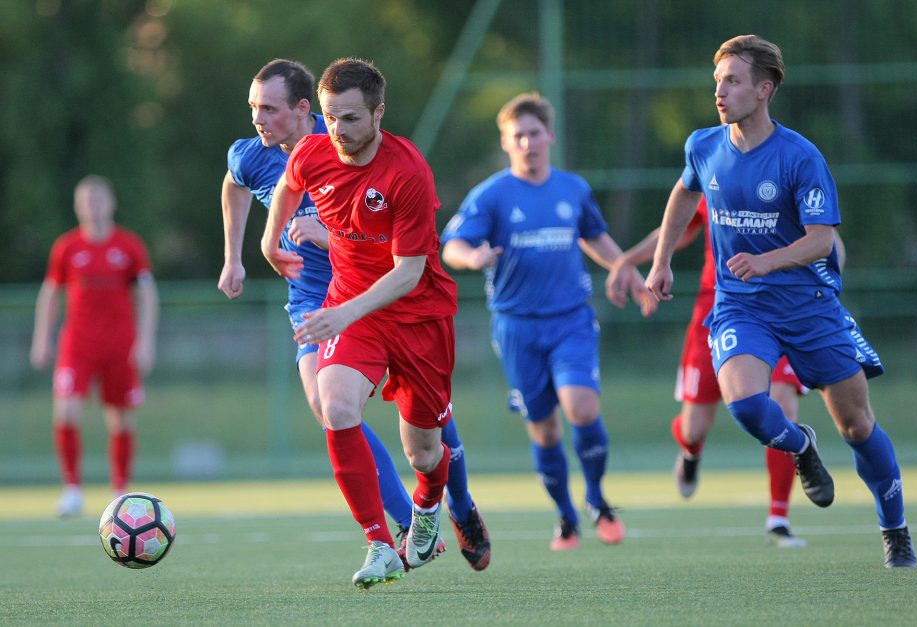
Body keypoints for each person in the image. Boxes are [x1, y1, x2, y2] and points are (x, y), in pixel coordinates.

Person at [643, 34, 917, 568]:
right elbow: (684, 192)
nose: (720, 91)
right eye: (717, 80)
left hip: (810, 307)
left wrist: (766, 260)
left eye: (733, 81)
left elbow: (821, 239)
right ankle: (800, 446)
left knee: (858, 426)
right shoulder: (703, 145)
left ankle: (896, 530)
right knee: (746, 406)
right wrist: (659, 261)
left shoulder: (799, 156)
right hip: (742, 307)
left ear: (764, 90)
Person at [221, 59, 489, 580]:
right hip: (336, 302)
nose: (336, 130)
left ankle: (442, 505)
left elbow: (408, 272)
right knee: (335, 407)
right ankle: (382, 541)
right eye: (332, 118)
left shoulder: (407, 171)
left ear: (376, 114)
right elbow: (279, 187)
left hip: (412, 311)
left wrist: (331, 253)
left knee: (425, 448)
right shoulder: (298, 154)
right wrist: (260, 245)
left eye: (268, 108)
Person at [441, 92, 646, 551]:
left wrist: (629, 275)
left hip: (570, 319)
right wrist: (474, 257)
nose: (528, 143)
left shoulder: (572, 189)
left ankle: (596, 498)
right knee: (546, 428)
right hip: (516, 328)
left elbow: (596, 238)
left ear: (549, 135)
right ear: (506, 142)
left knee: (582, 408)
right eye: (518, 136)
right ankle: (566, 516)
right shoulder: (491, 195)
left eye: (534, 133)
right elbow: (450, 245)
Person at [609, 197, 846, 547]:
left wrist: (822, 287)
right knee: (694, 426)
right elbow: (679, 227)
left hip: (781, 310)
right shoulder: (714, 166)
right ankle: (691, 452)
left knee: (782, 405)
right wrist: (630, 259)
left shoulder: (792, 166)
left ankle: (778, 518)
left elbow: (829, 242)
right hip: (719, 308)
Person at [30, 175, 159, 517]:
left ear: (111, 203)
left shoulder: (129, 246)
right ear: (77, 206)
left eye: (98, 199)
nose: (93, 206)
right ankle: (72, 488)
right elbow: (51, 293)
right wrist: (41, 339)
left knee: (120, 419)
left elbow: (146, 293)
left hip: (120, 345)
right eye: (86, 200)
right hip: (78, 345)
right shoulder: (67, 247)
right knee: (67, 411)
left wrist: (145, 342)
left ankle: (120, 491)